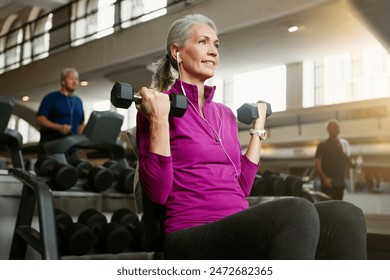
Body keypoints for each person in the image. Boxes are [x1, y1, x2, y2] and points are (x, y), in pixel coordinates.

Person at [136, 14, 366, 259]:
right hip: (192, 232)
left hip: (237, 224)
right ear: (177, 52)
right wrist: (159, 119)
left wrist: (258, 128)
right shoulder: (159, 108)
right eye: (203, 42)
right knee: (296, 211)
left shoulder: (224, 115)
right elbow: (158, 193)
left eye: (216, 45)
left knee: (347, 215)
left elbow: (242, 188)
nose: (213, 51)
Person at [36, 68, 85, 159]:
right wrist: (59, 127)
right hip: (52, 147)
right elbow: (40, 120)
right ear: (62, 81)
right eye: (71, 79)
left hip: (71, 149)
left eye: (77, 79)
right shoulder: (51, 98)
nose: (75, 82)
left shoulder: (78, 101)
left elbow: (81, 123)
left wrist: (79, 140)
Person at [314, 119, 355, 200]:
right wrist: (325, 179)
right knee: (328, 208)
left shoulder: (343, 146)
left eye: (338, 127)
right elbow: (317, 164)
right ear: (328, 130)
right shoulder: (322, 146)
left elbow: (351, 164)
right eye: (334, 127)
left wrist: (356, 163)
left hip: (340, 184)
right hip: (329, 183)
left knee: (338, 208)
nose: (336, 129)